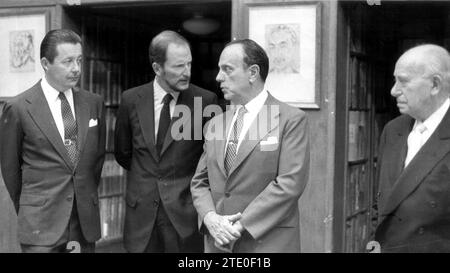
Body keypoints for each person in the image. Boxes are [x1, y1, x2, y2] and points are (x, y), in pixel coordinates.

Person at [190, 39, 310, 253]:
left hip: (266, 244)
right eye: (219, 70)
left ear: (253, 73)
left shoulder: (290, 120)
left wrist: (238, 226)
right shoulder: (214, 124)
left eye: (227, 69)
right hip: (218, 244)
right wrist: (210, 218)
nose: (218, 77)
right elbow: (200, 182)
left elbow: (289, 184)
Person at [0, 29, 106, 253]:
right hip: (41, 226)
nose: (76, 68)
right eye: (67, 61)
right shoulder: (19, 108)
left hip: (83, 223)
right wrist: (33, 205)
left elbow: (95, 161)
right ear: (46, 63)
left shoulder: (93, 103)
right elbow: (11, 169)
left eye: (79, 60)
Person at [114, 30, 217, 253]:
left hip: (185, 218)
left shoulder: (205, 101)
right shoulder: (130, 99)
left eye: (189, 64)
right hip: (141, 218)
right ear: (157, 68)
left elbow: (210, 160)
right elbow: (123, 153)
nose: (187, 72)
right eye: (179, 66)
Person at [375, 44, 450, 252]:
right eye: (394, 80)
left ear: (435, 85)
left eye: (404, 81)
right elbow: (380, 204)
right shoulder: (393, 130)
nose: (393, 91)